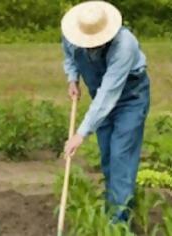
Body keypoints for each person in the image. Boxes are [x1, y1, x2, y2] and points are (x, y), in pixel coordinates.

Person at [61, 1, 150, 223]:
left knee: (121, 155)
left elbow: (109, 93)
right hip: (100, 95)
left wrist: (80, 134)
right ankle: (117, 207)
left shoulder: (124, 45)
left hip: (130, 97)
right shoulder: (73, 33)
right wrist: (72, 78)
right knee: (108, 157)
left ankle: (118, 225)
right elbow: (70, 57)